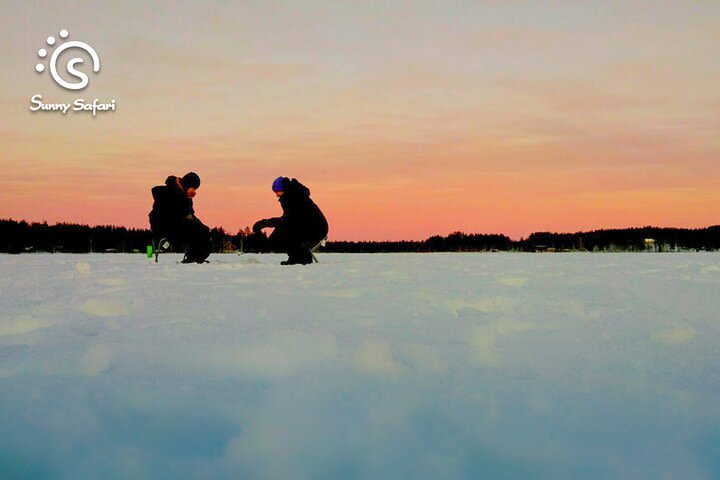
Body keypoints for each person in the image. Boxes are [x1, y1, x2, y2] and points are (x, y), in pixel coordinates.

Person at [253, 176, 328, 265]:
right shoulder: (294, 194)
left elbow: (287, 221)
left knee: (282, 233)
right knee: (281, 232)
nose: (277, 195)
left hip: (315, 230)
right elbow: (290, 220)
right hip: (312, 227)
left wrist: (264, 223)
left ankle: (302, 258)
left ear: (283, 189)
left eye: (277, 192)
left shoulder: (294, 198)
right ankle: (296, 257)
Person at [148, 172, 211, 263]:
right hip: (166, 227)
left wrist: (194, 221)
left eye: (194, 191)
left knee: (203, 230)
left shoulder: (185, 197)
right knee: (198, 231)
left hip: (177, 225)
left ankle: (196, 258)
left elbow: (189, 215)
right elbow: (166, 216)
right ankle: (193, 258)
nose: (193, 193)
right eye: (192, 190)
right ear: (186, 185)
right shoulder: (169, 193)